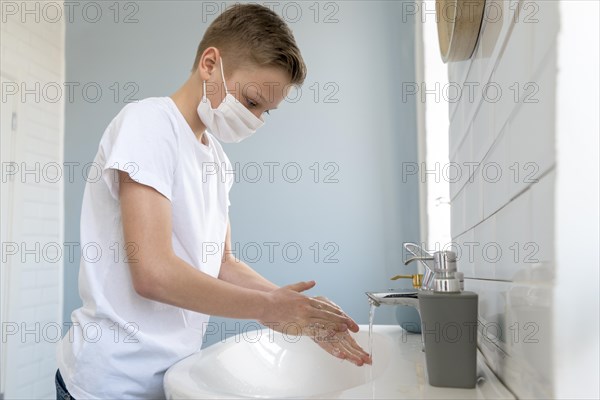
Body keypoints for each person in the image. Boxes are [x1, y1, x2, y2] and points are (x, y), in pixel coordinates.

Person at [56, 4, 370, 399]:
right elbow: (152, 271)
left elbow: (220, 261)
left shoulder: (217, 161)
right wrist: (268, 309)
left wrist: (294, 309)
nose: (255, 119)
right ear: (209, 64)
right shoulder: (148, 125)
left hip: (171, 375)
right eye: (252, 101)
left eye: (266, 113)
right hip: (110, 382)